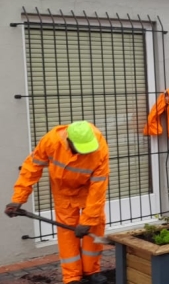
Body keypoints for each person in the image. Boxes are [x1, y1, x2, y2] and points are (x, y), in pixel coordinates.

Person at [5, 121, 109, 284]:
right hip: (63, 191)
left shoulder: (99, 147)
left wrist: (88, 219)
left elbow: (98, 187)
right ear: (69, 141)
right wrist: (18, 199)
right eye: (80, 150)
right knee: (67, 234)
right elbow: (31, 169)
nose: (84, 154)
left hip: (89, 191)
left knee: (94, 226)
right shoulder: (51, 141)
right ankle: (72, 277)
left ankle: (91, 271)